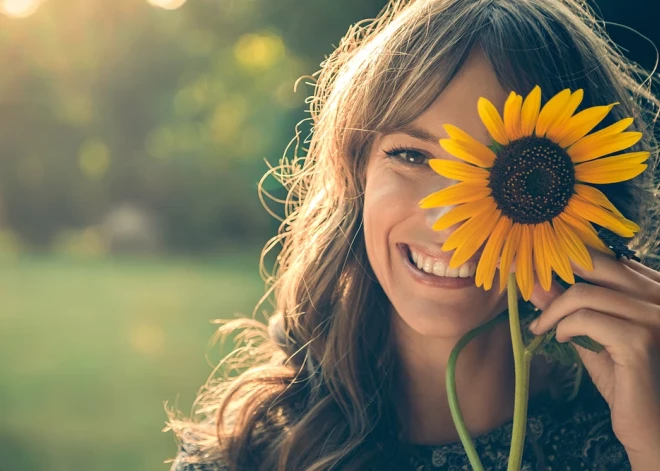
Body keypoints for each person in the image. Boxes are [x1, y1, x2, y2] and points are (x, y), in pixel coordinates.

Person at [165, 0, 660, 469]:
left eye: (502, 171)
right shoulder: (246, 458)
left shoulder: (631, 434)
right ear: (355, 173)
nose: (449, 220)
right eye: (413, 156)